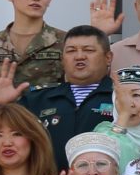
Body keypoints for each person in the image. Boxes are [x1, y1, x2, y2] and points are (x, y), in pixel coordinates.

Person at [17, 24, 119, 159]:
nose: (79, 56)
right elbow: (8, 133)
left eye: (88, 50)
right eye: (71, 51)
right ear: (62, 59)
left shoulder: (121, 97)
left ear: (108, 58)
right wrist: (0, 103)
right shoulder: (38, 98)